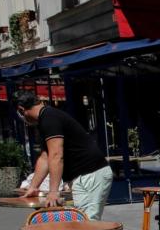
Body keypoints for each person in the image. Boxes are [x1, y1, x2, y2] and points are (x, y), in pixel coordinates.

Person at [14, 90, 112, 220]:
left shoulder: (49, 119)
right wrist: (33, 187)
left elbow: (56, 155)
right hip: (86, 175)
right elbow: (45, 158)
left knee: (87, 227)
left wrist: (53, 192)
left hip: (89, 174)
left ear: (21, 110)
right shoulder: (47, 118)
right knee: (85, 226)